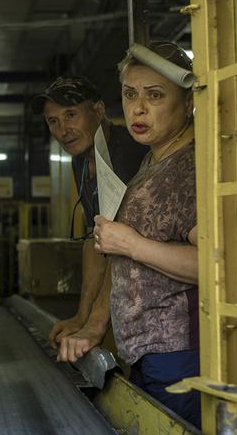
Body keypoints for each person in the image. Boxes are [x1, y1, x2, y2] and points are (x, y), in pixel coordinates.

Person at [92, 41, 200, 428]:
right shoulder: (154, 157)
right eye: (129, 94)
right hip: (146, 350)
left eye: (155, 96)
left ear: (188, 103)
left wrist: (131, 244)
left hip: (178, 352)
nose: (137, 109)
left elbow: (215, 262)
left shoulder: (193, 167)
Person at [31, 76, 147, 363]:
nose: (62, 130)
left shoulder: (128, 153)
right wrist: (81, 318)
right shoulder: (82, 159)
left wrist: (95, 326)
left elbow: (122, 248)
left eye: (71, 115)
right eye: (53, 121)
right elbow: (94, 242)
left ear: (98, 111)